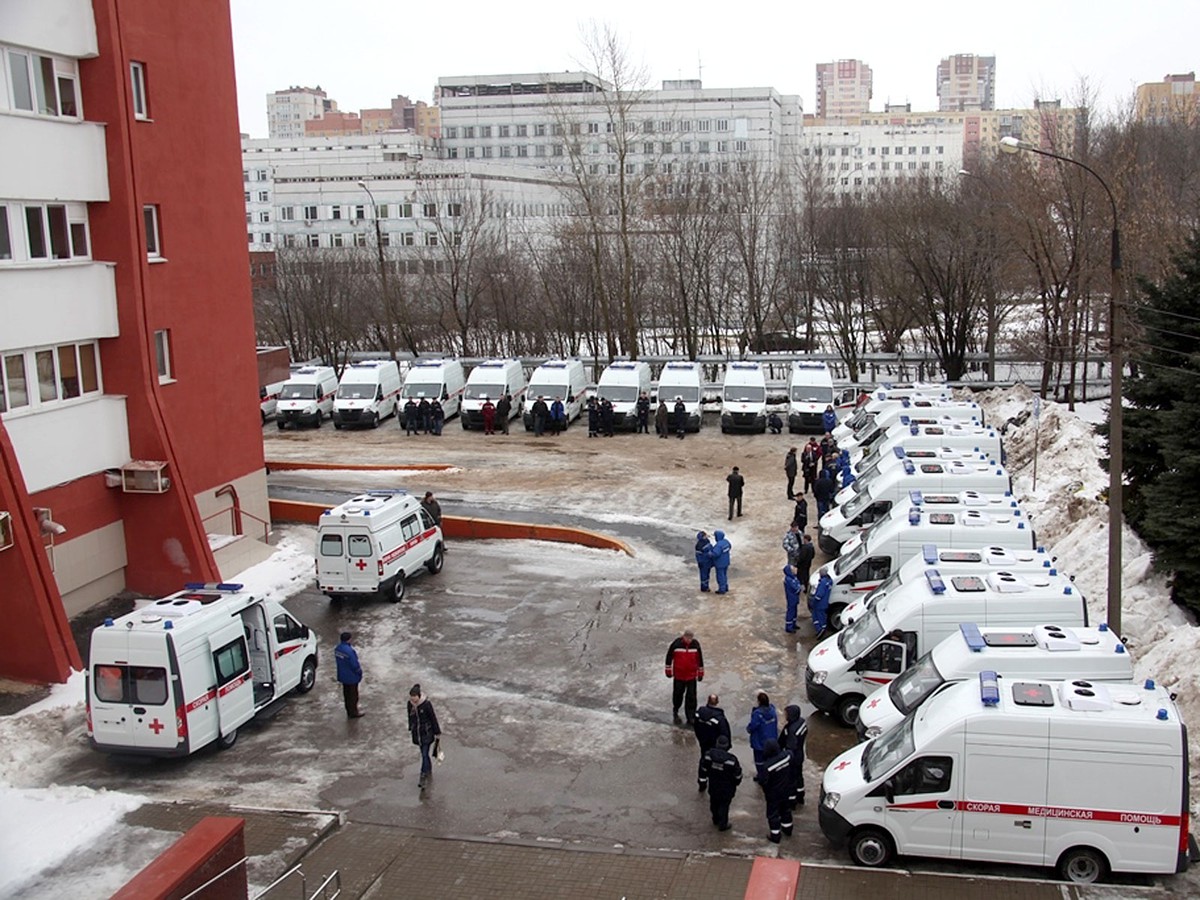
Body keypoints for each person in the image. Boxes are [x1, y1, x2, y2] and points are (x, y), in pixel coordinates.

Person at [700, 735, 742, 831]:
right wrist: (736, 783)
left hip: (713, 785)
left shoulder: (708, 755)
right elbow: (737, 775)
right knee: (724, 805)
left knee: (714, 802)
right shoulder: (731, 760)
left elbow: (703, 769)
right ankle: (723, 824)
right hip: (727, 788)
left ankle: (715, 819)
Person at [664, 629, 704, 725]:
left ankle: (690, 716)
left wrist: (700, 672)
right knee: (678, 694)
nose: (689, 640)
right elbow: (669, 657)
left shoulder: (695, 645)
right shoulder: (676, 644)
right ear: (684, 637)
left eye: (691, 638)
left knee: (691, 697)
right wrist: (668, 670)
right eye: (687, 638)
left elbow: (700, 659)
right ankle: (676, 708)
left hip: (691, 676)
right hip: (679, 675)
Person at [693, 694, 731, 792]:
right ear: (717, 702)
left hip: (704, 742)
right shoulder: (719, 719)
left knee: (704, 760)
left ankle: (702, 781)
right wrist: (727, 746)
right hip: (715, 744)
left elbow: (696, 726)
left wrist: (700, 738)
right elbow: (725, 733)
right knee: (716, 763)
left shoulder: (699, 713)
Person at [407, 683, 442, 790]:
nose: (413, 701)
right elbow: (410, 717)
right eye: (412, 699)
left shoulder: (426, 704)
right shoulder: (410, 704)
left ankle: (423, 776)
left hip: (427, 733)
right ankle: (428, 769)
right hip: (417, 734)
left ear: (419, 696)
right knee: (424, 754)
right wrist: (411, 727)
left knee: (424, 754)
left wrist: (437, 732)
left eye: (415, 699)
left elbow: (433, 718)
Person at [761, 738, 794, 843]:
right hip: (786, 790)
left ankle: (775, 835)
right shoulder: (787, 756)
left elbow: (763, 781)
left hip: (773, 794)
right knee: (786, 810)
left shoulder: (767, 766)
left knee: (773, 814)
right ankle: (788, 829)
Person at [746, 691, 779, 784]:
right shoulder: (772, 710)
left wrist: (748, 729)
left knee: (759, 762)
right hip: (772, 740)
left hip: (760, 743)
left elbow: (752, 726)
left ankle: (762, 777)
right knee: (770, 759)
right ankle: (770, 775)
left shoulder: (757, 714)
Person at [780, 704, 808, 808]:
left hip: (793, 758)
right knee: (799, 776)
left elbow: (790, 746)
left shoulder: (791, 730)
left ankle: (792, 802)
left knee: (791, 779)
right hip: (800, 754)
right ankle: (800, 796)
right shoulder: (801, 722)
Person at [334, 632, 363, 719]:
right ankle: (354, 712)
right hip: (351, 677)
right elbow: (354, 665)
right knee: (353, 696)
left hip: (343, 675)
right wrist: (359, 672)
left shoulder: (337, 649)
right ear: (349, 639)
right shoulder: (350, 651)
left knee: (346, 694)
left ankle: (348, 710)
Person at [810, 571, 833, 638]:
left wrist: (813, 601)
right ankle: (823, 628)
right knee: (823, 616)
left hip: (819, 604)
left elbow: (819, 595)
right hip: (825, 603)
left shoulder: (823, 583)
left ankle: (820, 630)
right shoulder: (830, 581)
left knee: (817, 617)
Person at [709, 530, 731, 594]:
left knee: (720, 576)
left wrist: (709, 553)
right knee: (724, 575)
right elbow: (730, 547)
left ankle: (722, 589)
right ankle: (725, 587)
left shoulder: (718, 545)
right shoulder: (726, 542)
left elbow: (715, 554)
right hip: (726, 561)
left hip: (720, 563)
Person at [783, 564, 802, 634]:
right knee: (791, 612)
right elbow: (796, 588)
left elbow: (798, 584)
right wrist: (799, 588)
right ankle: (789, 627)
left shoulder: (793, 577)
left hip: (794, 598)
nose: (795, 569)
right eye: (793, 568)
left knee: (794, 611)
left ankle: (793, 624)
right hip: (791, 598)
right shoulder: (789, 579)